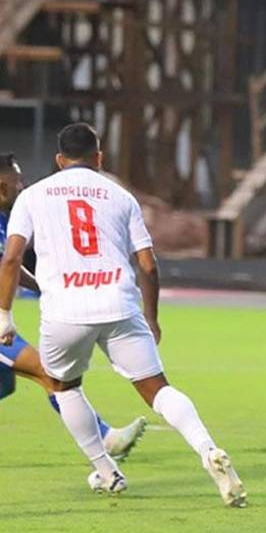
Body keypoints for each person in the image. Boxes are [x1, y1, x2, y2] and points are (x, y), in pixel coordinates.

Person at [0, 124, 245, 504]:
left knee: (63, 387)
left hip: (64, 311)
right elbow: (147, 265)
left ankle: (106, 471)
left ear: (59, 160)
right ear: (99, 158)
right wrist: (152, 316)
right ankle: (208, 449)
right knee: (158, 390)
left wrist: (5, 316)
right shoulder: (121, 196)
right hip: (118, 304)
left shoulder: (31, 197)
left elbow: (12, 258)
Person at [0, 153, 146, 458]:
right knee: (48, 373)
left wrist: (44, 285)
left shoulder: (4, 218)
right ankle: (106, 439)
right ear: (2, 186)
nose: (22, 186)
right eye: (18, 181)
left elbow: (8, 263)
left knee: (5, 384)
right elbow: (6, 264)